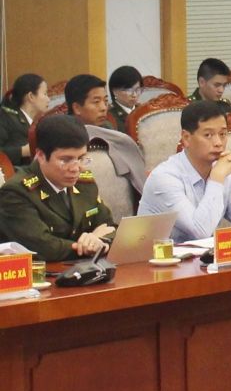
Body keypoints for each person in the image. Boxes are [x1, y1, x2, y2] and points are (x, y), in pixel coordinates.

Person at [136, 100, 231, 243]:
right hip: (155, 256)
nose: (218, 143)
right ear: (186, 138)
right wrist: (216, 179)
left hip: (198, 256)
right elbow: (201, 231)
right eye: (208, 135)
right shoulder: (164, 178)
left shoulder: (222, 173)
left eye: (223, 134)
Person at [0, 115, 116, 263]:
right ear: (41, 156)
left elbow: (109, 226)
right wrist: (88, 246)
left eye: (81, 158)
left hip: (83, 268)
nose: (75, 168)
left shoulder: (84, 183)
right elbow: (43, 247)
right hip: (42, 273)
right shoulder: (16, 192)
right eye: (65, 160)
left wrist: (100, 240)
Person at [63, 73, 148, 196]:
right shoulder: (63, 134)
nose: (104, 108)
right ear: (77, 108)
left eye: (106, 101)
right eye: (96, 102)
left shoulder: (107, 127)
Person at [0, 73, 48, 165]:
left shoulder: (37, 123)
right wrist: (22, 151)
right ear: (31, 96)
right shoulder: (5, 118)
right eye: (45, 94)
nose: (48, 99)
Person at [107, 65, 143, 132]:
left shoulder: (144, 110)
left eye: (137, 89)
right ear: (114, 91)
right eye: (128, 90)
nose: (134, 95)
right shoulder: (109, 116)